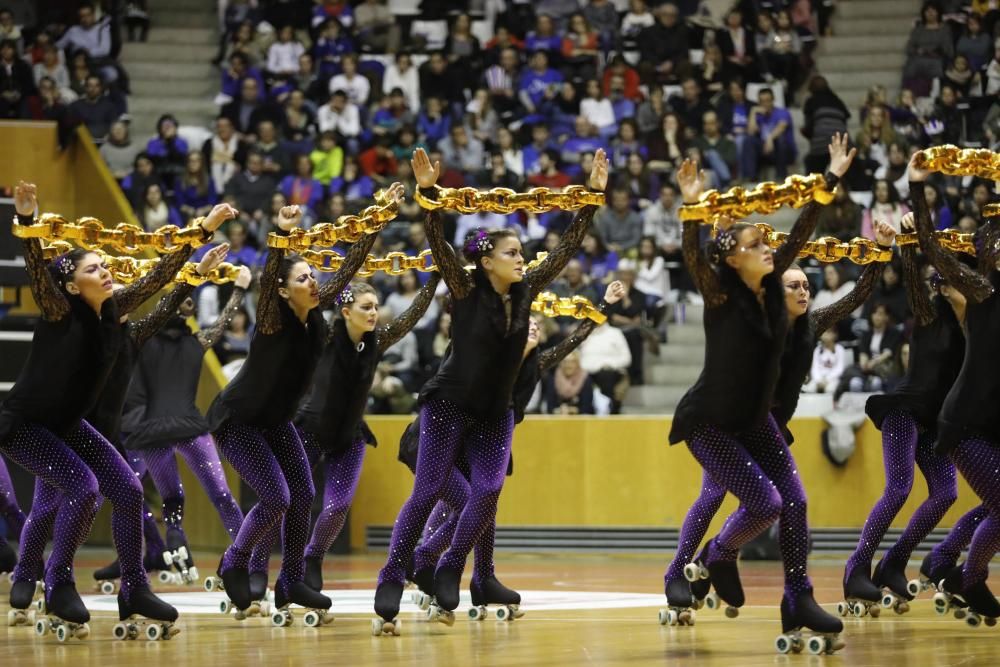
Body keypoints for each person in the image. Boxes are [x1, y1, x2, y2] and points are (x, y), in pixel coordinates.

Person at [372, 148, 608, 632]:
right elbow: (439, 243)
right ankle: (393, 572)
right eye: (512, 253)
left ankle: (452, 567)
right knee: (430, 489)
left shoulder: (525, 290)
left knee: (489, 489)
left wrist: (592, 198)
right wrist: (429, 194)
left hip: (495, 411)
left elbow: (563, 251)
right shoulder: (463, 287)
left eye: (521, 253)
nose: (522, 260)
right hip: (449, 404)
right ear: (485, 262)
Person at [0, 185, 232, 632]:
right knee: (82, 488)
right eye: (94, 268)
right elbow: (37, 274)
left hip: (70, 426)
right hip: (25, 426)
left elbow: (157, 281)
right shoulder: (58, 310)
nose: (106, 272)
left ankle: (135, 588)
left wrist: (203, 231)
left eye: (105, 265)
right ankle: (56, 580)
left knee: (127, 490)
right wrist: (27, 223)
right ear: (71, 285)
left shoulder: (114, 314)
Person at [666, 135, 855, 644]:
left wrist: (830, 178)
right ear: (731, 261)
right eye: (754, 246)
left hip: (756, 421)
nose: (767, 249)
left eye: (765, 244)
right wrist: (691, 208)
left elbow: (801, 230)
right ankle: (717, 554)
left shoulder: (774, 291)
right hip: (708, 422)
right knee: (766, 504)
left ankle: (798, 599)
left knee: (795, 504)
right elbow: (693, 257)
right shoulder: (720, 295)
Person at [205, 190, 395, 616]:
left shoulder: (317, 317)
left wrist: (375, 222)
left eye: (312, 276)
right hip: (239, 420)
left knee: (304, 492)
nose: (312, 282)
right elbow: (269, 274)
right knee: (276, 498)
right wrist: (280, 234)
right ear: (283, 291)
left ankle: (290, 582)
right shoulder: (273, 319)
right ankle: (233, 562)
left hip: (277, 422)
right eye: (303, 279)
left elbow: (346, 273)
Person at [400, 282, 626, 611]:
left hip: (479, 447)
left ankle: (481, 577)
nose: (532, 325)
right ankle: (423, 558)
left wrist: (604, 305)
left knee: (481, 506)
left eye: (536, 324)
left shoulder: (535, 365)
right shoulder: (481, 352)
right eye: (525, 323)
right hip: (438, 439)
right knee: (469, 504)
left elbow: (573, 339)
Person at [279, 275, 439, 593]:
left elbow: (410, 317)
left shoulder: (376, 341)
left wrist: (433, 279)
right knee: (288, 501)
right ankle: (278, 567)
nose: (374, 313)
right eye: (366, 307)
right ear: (346, 312)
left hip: (349, 435)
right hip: (309, 429)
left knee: (337, 506)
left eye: (376, 307)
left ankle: (313, 557)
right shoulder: (323, 336)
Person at [843, 210, 967, 614]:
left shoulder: (976, 325)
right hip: (904, 411)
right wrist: (910, 239)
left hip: (934, 420)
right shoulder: (930, 313)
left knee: (946, 492)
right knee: (899, 488)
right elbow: (914, 277)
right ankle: (855, 567)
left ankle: (894, 561)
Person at [909, 156, 1000, 623]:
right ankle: (968, 577)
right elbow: (930, 245)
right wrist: (917, 187)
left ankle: (943, 561)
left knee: (994, 503)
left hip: (991, 422)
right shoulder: (982, 290)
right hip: (965, 421)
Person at [123, 267, 252, 580]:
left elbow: (122, 318)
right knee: (221, 495)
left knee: (172, 498)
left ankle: (176, 537)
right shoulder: (199, 341)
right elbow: (223, 323)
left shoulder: (140, 338)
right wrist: (239, 290)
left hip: (151, 432)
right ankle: (242, 556)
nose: (190, 305)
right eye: (187, 302)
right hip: (191, 428)